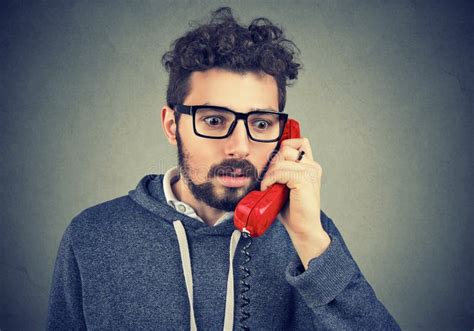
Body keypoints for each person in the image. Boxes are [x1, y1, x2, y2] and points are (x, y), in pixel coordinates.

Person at [46, 7, 400, 330]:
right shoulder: (92, 235)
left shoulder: (310, 236)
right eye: (215, 120)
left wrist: (310, 241)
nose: (239, 147)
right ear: (172, 126)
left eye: (261, 124)